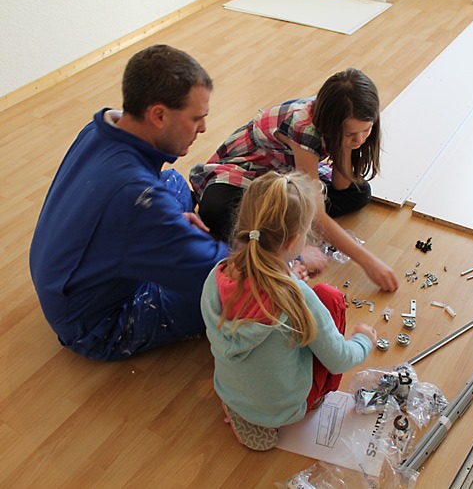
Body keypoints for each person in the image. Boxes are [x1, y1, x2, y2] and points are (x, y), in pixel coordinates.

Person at [29, 44, 229, 361]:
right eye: (196, 118)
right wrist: (287, 260)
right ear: (158, 115)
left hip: (64, 276)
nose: (203, 128)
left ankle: (163, 243)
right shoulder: (137, 197)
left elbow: (133, 204)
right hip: (93, 324)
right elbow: (219, 273)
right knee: (230, 296)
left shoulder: (99, 129)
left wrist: (166, 226)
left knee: (174, 182)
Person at [201, 171, 377, 451]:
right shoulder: (296, 295)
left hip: (231, 392)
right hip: (288, 408)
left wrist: (288, 272)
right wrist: (363, 340)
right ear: (295, 240)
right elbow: (340, 360)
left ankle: (243, 412)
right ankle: (281, 413)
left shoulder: (216, 276)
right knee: (329, 297)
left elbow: (255, 291)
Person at [190, 69, 398, 291]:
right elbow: (315, 212)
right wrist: (368, 261)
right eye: (350, 134)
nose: (359, 140)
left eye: (366, 130)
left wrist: (346, 144)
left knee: (358, 192)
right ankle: (281, 244)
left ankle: (278, 229)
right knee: (218, 209)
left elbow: (341, 185)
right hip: (245, 173)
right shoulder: (303, 128)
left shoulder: (344, 123)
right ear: (331, 126)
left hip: (284, 174)